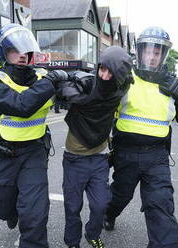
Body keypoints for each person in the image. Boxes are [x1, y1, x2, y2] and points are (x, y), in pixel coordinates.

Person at [103, 27, 178, 248]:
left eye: (157, 52)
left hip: (157, 157)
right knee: (119, 196)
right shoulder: (126, 77)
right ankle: (108, 214)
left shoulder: (171, 83)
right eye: (148, 51)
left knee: (161, 205)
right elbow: (101, 105)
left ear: (163, 55)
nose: (152, 56)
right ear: (139, 52)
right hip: (125, 153)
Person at [0, 23, 65, 248]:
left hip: (34, 152)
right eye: (15, 49)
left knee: (35, 210)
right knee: (3, 207)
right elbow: (21, 105)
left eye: (26, 50)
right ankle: (10, 213)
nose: (23, 55)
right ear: (3, 51)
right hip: (1, 154)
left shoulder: (42, 76)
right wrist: (53, 82)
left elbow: (74, 96)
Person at [55, 46, 133, 248]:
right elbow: (66, 87)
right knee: (73, 207)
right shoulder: (87, 82)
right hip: (74, 158)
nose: (105, 75)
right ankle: (72, 242)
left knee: (101, 205)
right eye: (102, 69)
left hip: (99, 158)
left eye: (110, 71)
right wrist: (80, 98)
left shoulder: (121, 88)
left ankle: (92, 234)